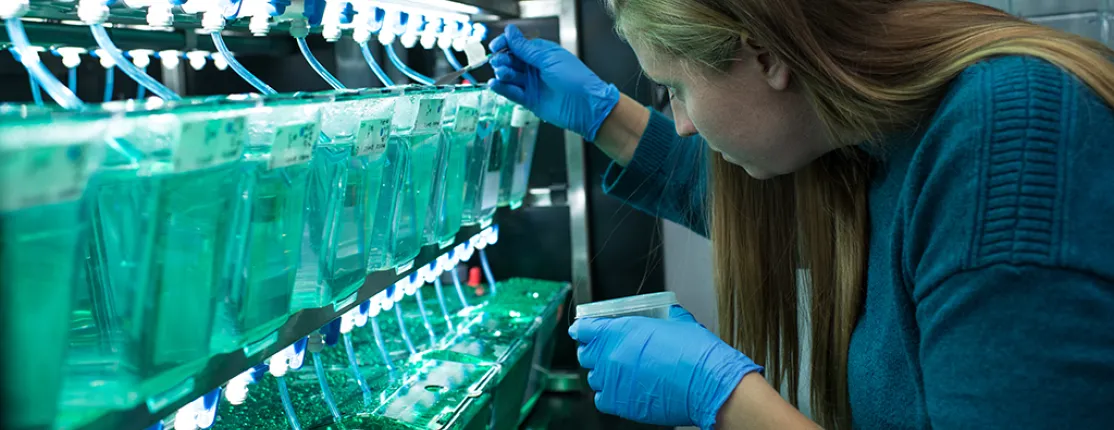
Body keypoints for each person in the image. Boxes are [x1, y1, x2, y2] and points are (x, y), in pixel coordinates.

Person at [486, 0, 1114, 429]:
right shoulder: (878, 135)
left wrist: (729, 400)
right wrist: (605, 116)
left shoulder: (1008, 143)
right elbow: (762, 190)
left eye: (675, 88)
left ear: (766, 55)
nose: (679, 122)